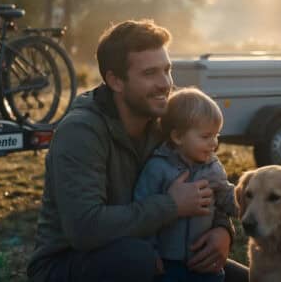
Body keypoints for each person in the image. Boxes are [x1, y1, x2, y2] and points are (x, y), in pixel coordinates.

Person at [27, 20, 248, 282]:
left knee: (248, 278)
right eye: (149, 73)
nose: (165, 84)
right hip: (69, 263)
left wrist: (223, 231)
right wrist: (171, 205)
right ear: (115, 81)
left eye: (167, 70)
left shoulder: (164, 120)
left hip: (160, 253)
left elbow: (206, 174)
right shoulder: (80, 132)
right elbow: (84, 229)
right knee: (135, 260)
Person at [134, 87, 239, 282]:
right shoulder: (158, 168)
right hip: (168, 263)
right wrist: (149, 251)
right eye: (206, 136)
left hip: (205, 262)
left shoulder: (213, 168)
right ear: (178, 137)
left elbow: (226, 196)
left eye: (216, 135)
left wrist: (247, 203)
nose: (214, 143)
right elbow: (143, 212)